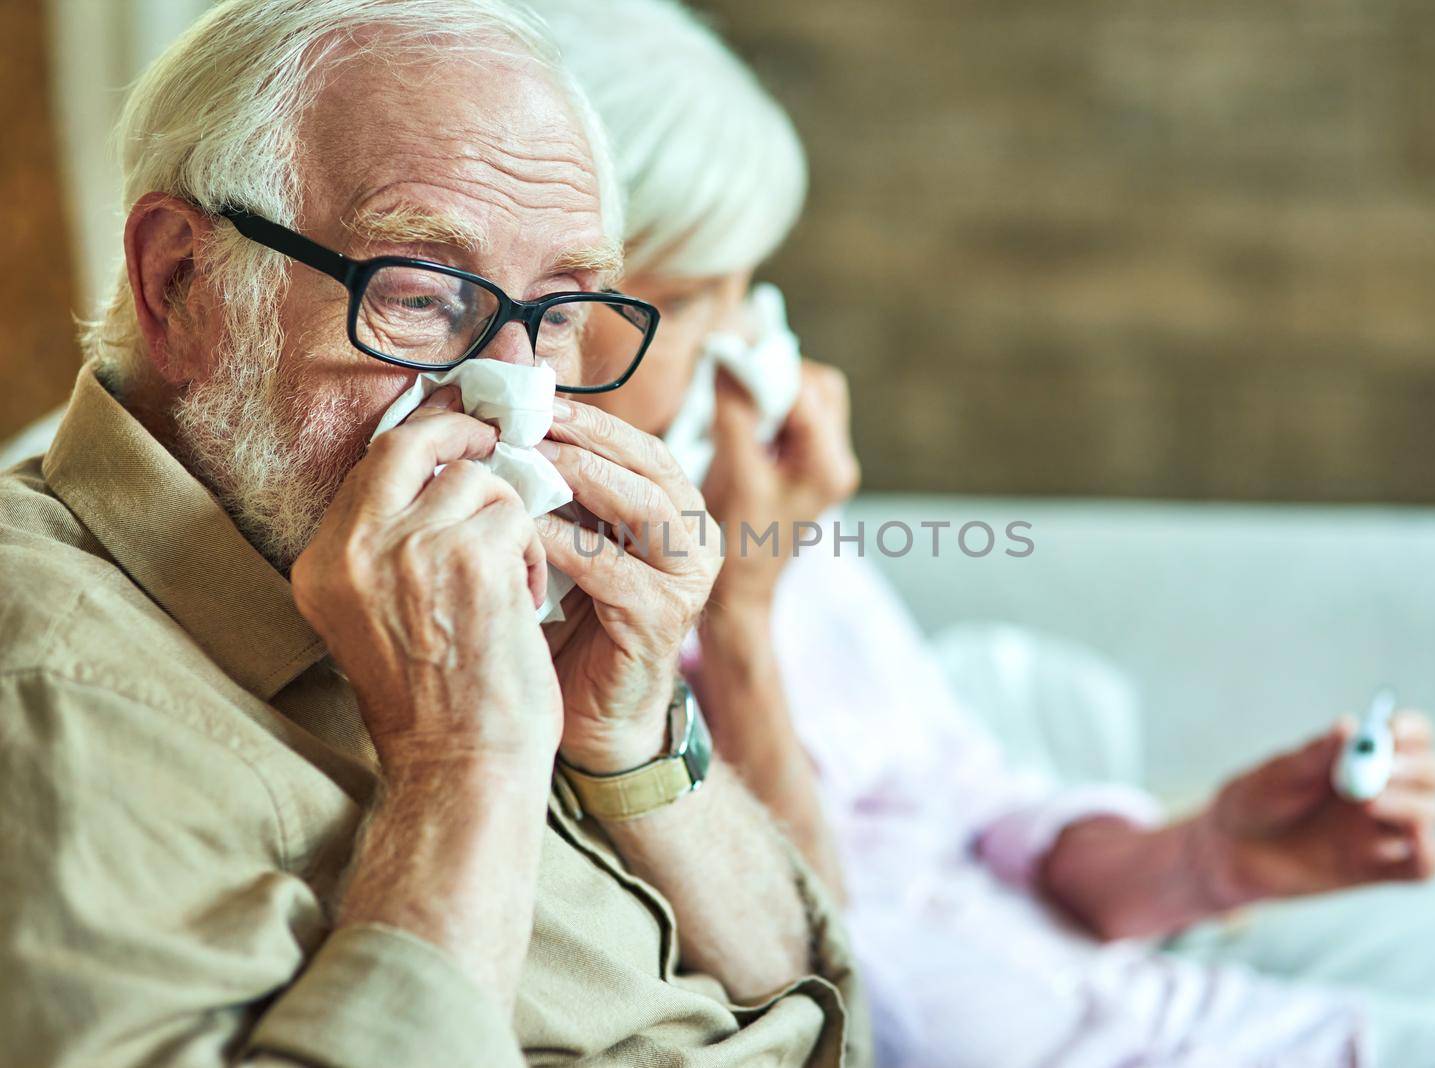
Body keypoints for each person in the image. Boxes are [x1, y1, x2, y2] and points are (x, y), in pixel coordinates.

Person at [537, 2, 1435, 1065]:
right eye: (690, 296)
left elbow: (972, 802)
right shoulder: (584, 638)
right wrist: (739, 621)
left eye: (749, 286)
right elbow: (823, 991)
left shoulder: (761, 525)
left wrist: (1210, 855)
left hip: (1212, 1021)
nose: (748, 342)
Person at [0, 1, 867, 1065]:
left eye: (554, 315)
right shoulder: (53, 678)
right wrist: (466, 765)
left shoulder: (473, 586)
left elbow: (814, 990)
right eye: (421, 293)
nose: (513, 401)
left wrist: (631, 738)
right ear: (183, 281)